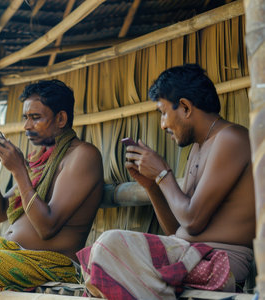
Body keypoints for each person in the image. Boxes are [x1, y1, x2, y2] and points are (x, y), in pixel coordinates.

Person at [77, 64, 256, 299]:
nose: (162, 124)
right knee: (96, 258)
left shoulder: (231, 138)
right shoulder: (200, 147)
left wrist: (163, 174)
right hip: (188, 255)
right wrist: (152, 185)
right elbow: (177, 228)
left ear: (184, 107)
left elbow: (192, 222)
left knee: (109, 244)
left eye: (163, 112)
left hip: (219, 263)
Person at [0, 79, 104, 299]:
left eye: (35, 118)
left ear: (61, 118)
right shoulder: (41, 161)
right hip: (15, 256)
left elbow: (47, 227)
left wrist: (18, 170)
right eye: (26, 117)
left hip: (55, 263)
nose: (27, 126)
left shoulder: (82, 156)